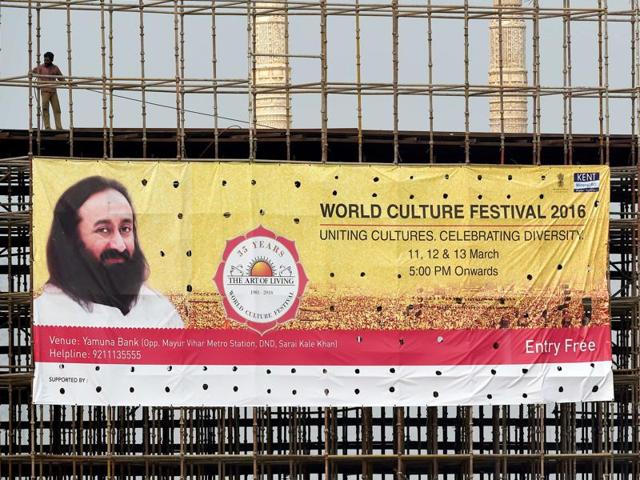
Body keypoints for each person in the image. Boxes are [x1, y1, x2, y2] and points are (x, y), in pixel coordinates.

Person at [34, 176, 184, 328]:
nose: (120, 246)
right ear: (71, 240)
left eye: (125, 229)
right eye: (104, 230)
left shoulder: (161, 312)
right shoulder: (44, 315)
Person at [32, 52, 64, 130]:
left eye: (47, 60)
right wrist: (35, 77)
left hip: (53, 91)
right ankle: (47, 127)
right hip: (45, 91)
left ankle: (59, 127)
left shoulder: (55, 68)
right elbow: (31, 72)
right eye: (45, 59)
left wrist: (69, 83)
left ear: (51, 60)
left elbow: (62, 79)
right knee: (45, 108)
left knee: (57, 109)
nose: (46, 61)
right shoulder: (40, 67)